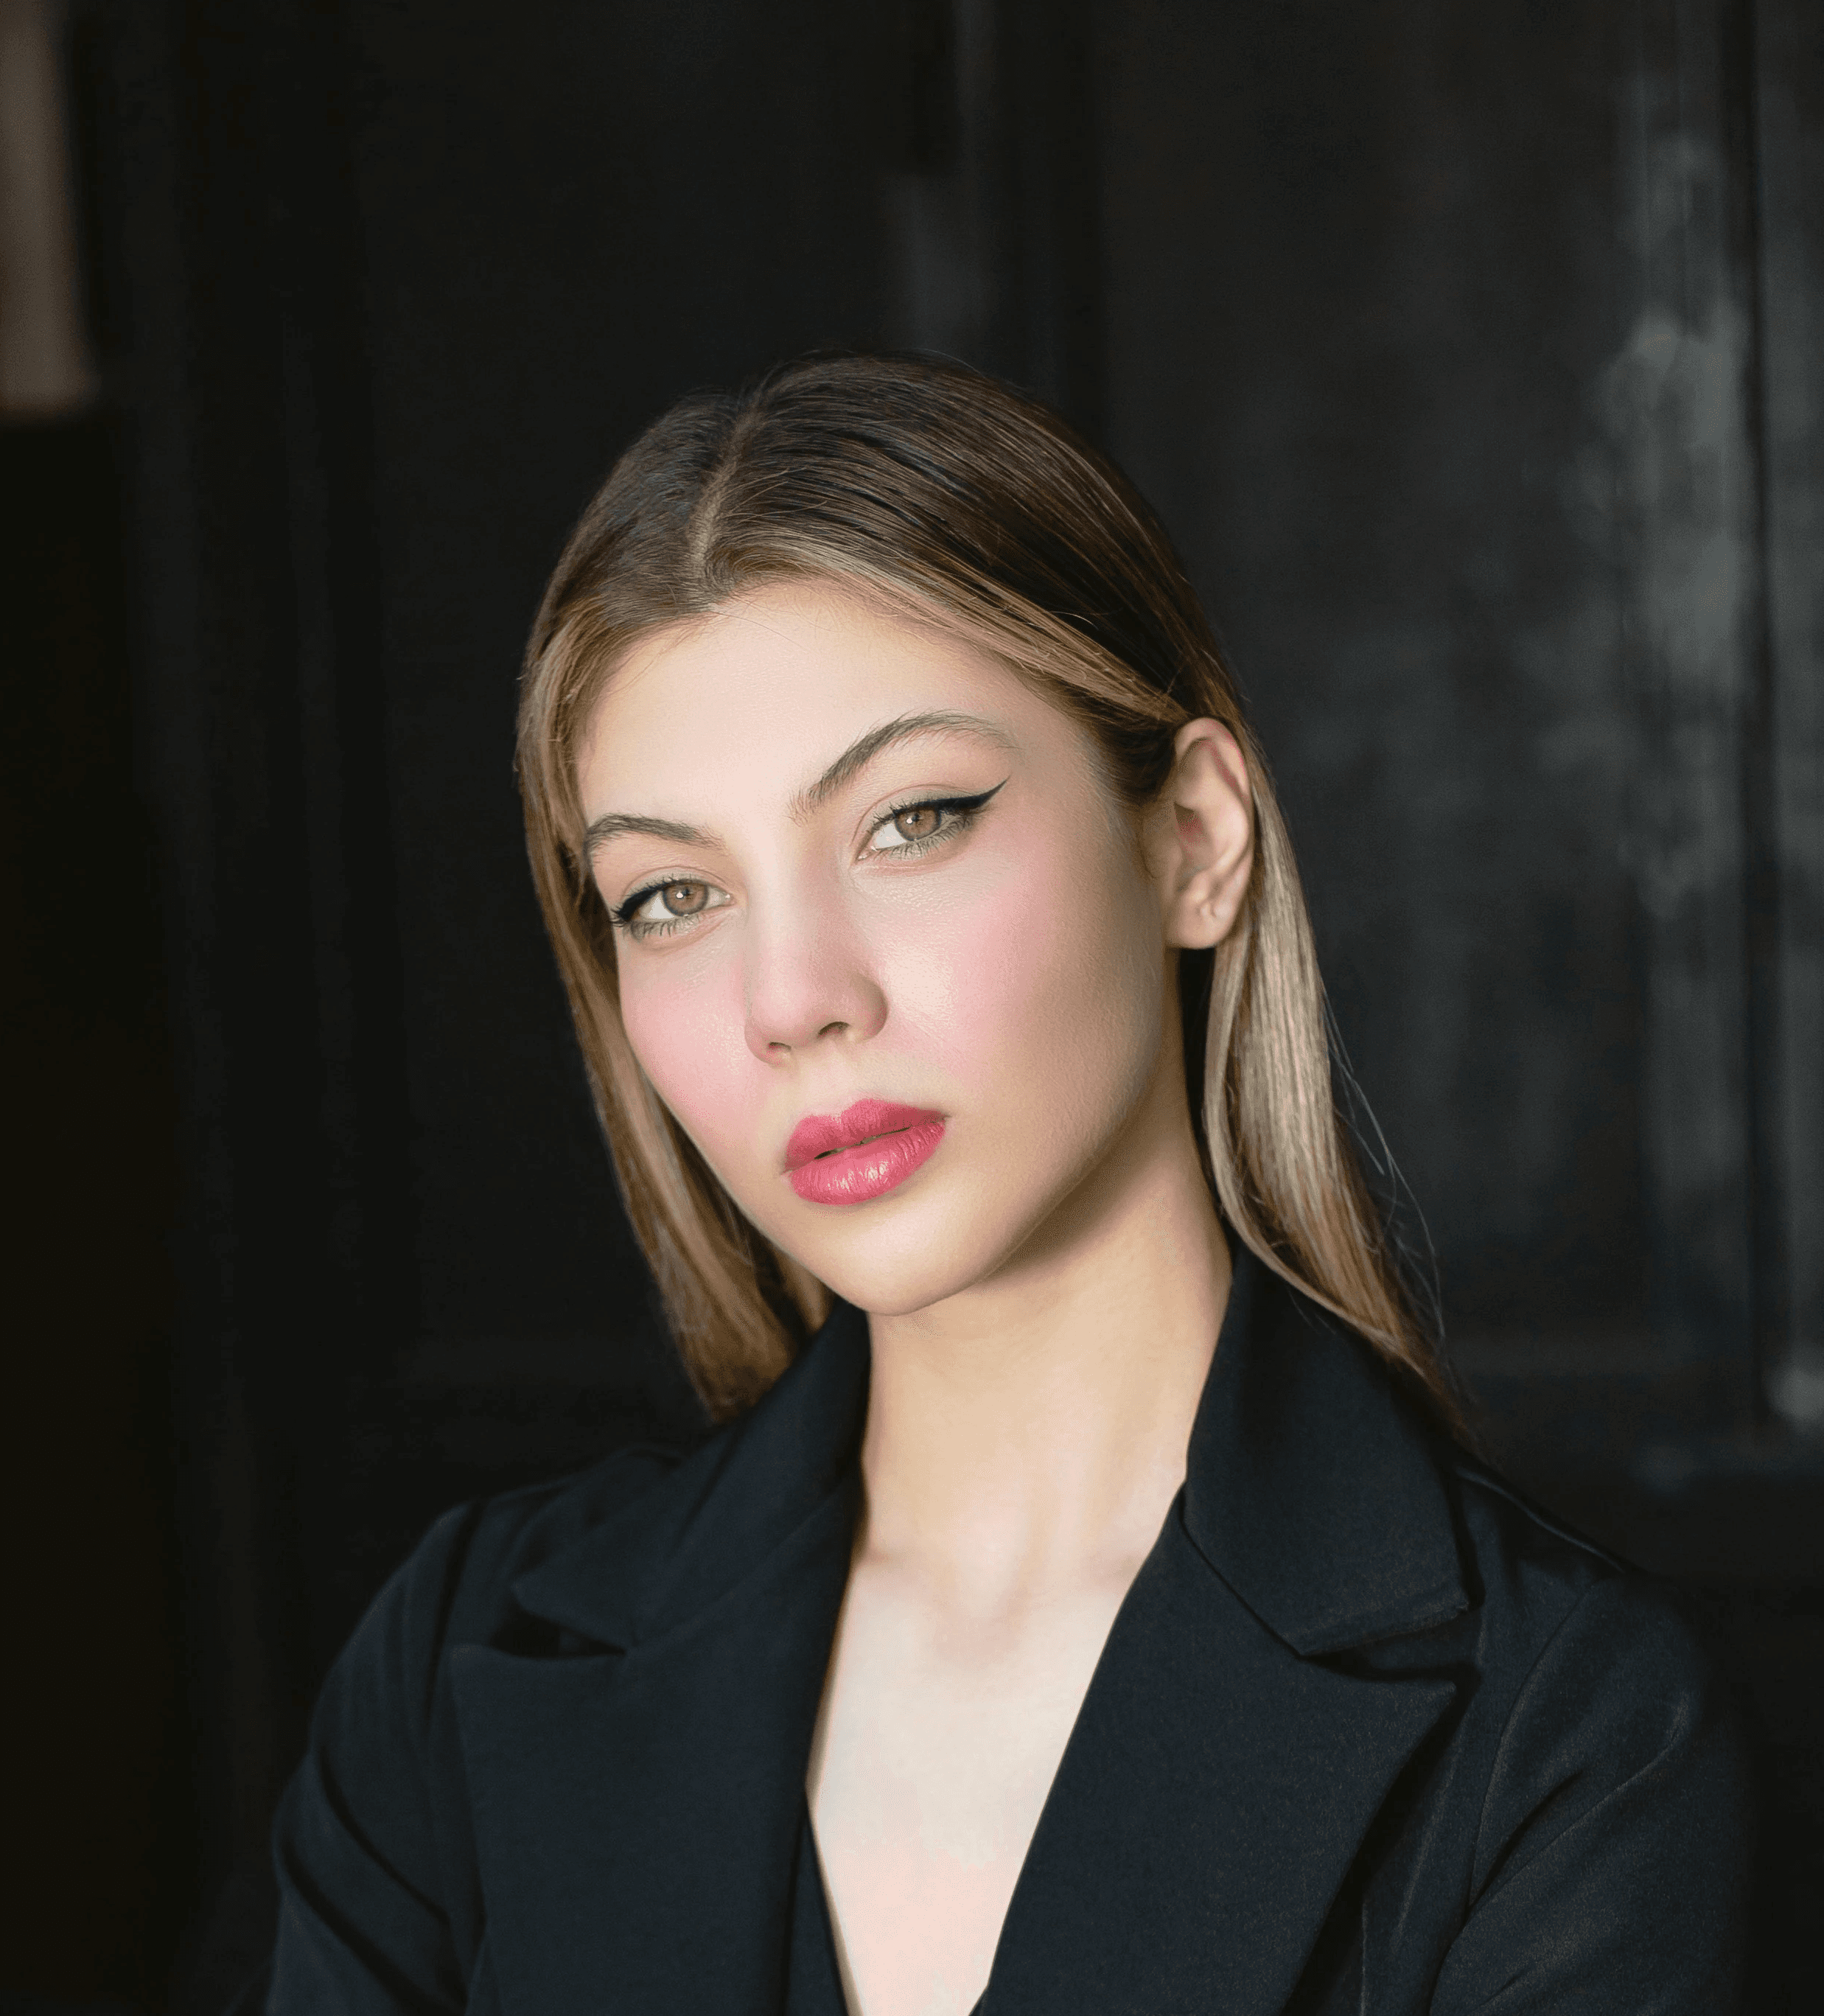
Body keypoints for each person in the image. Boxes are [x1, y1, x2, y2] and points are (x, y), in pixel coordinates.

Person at [242, 353, 1753, 2015]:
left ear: (1193, 837)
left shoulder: (1569, 1733)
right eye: (671, 896)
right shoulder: (457, 1667)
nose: (792, 998)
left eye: (911, 820)